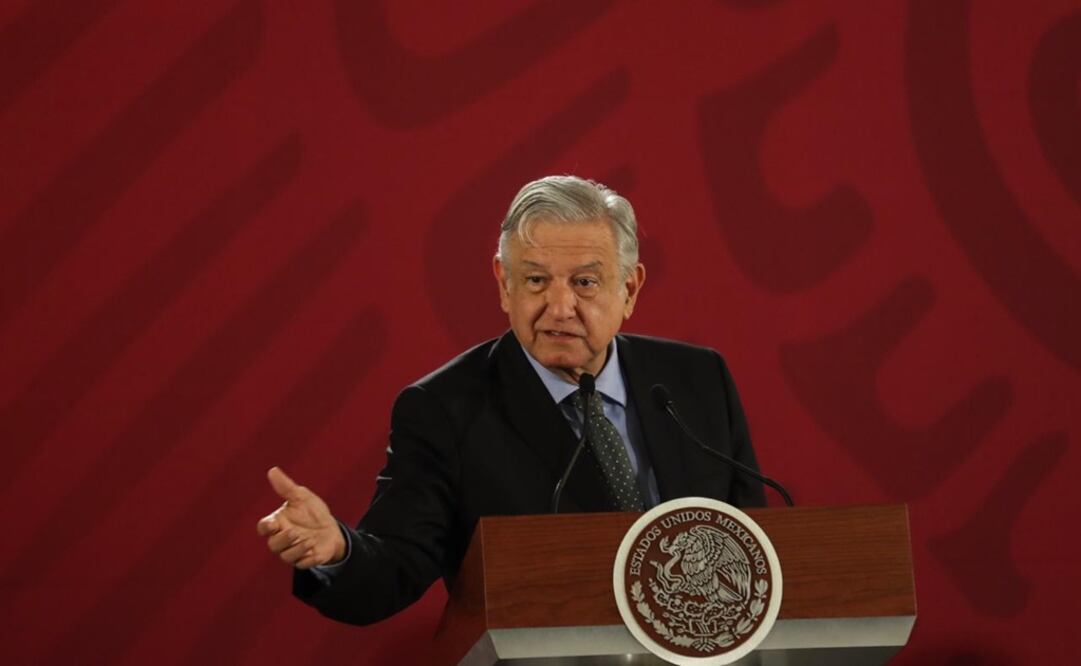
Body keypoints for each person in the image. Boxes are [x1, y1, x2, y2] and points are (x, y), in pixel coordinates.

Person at [256, 175, 766, 625]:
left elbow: (755, 543)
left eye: (585, 282)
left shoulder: (697, 381)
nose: (559, 307)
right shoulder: (444, 409)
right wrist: (337, 551)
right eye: (536, 280)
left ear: (629, 290)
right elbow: (397, 562)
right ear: (504, 285)